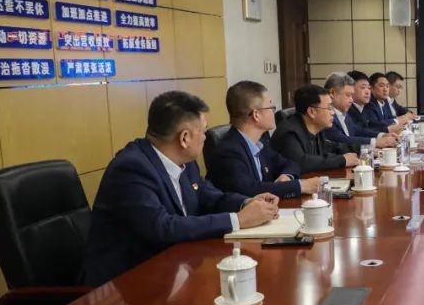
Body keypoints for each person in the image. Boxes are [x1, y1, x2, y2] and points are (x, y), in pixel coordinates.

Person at [83, 91, 279, 286]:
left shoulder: (185, 162)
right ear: (184, 138)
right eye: (203, 131)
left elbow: (209, 197)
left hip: (173, 269)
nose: (205, 137)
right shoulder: (132, 168)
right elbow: (162, 227)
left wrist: (247, 203)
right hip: (125, 285)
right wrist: (239, 220)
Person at [206, 81, 322, 199]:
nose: (273, 112)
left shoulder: (260, 142)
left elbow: (290, 163)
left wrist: (286, 176)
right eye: (271, 107)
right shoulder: (228, 152)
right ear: (256, 115)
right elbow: (250, 190)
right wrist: (300, 186)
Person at [270, 84, 360, 173]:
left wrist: (363, 149)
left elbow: (334, 148)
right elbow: (300, 163)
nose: (333, 112)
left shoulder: (316, 129)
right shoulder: (289, 133)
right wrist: (342, 160)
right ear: (312, 112)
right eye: (329, 108)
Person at [322, 72, 396, 149]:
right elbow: (341, 140)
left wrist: (382, 135)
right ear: (332, 93)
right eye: (348, 95)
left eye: (351, 95)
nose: (351, 100)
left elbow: (357, 131)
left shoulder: (342, 112)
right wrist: (375, 142)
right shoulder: (326, 115)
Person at [348, 71, 403, 136]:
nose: (368, 92)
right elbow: (358, 132)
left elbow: (372, 126)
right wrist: (386, 131)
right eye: (363, 87)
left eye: (368, 88)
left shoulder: (367, 105)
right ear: (350, 89)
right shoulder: (348, 109)